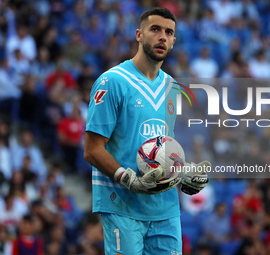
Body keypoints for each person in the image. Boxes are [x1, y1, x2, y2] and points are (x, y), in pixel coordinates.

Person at [84, 7, 209, 254]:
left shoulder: (173, 88)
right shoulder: (112, 81)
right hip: (123, 206)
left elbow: (162, 150)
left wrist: (183, 174)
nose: (162, 36)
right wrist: (128, 179)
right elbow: (92, 150)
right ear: (139, 35)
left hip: (165, 209)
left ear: (174, 41)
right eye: (155, 29)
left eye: (169, 32)